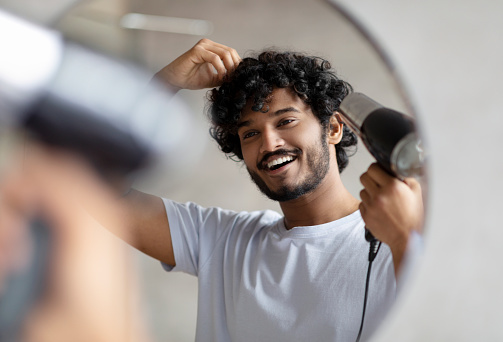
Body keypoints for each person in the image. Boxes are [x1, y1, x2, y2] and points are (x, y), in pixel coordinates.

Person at [120, 39, 424, 342]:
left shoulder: (398, 239)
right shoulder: (221, 241)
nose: (269, 143)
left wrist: (404, 239)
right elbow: (91, 188)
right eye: (250, 133)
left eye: (286, 121)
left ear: (333, 128)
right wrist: (160, 88)